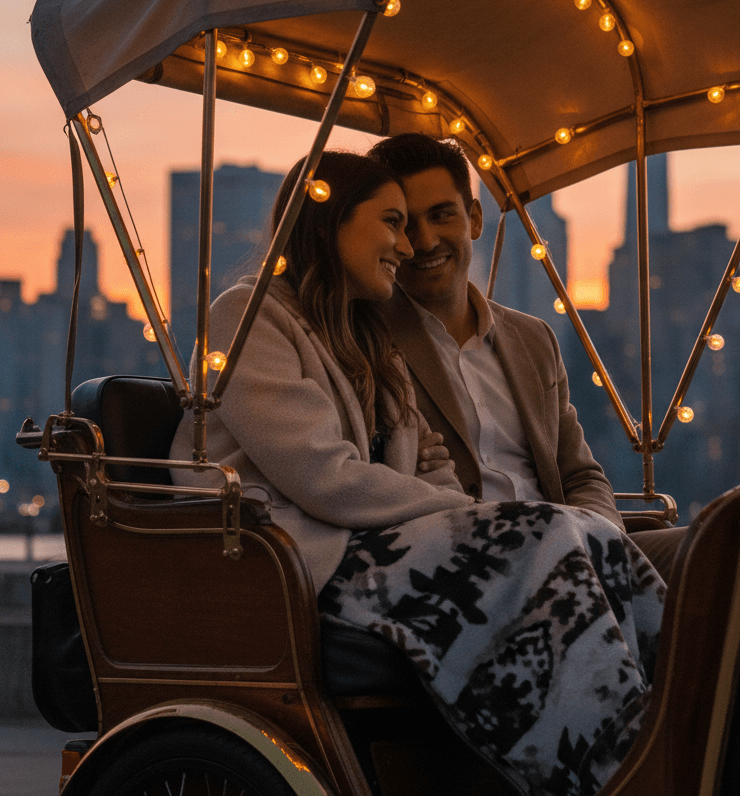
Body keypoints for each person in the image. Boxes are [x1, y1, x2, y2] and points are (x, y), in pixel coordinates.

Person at [169, 150, 665, 796]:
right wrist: (463, 513)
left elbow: (420, 460)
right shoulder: (248, 314)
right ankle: (595, 763)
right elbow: (325, 477)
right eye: (393, 224)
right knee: (538, 534)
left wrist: (452, 502)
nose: (406, 247)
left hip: (364, 540)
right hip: (299, 553)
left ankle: (662, 728)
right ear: (334, 222)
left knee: (591, 534)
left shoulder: (362, 337)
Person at [365, 134, 686, 577]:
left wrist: (597, 542)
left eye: (442, 215)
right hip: (471, 564)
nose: (425, 241)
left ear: (474, 219)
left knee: (722, 547)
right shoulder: (367, 342)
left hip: (571, 546)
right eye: (405, 225)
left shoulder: (533, 339)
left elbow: (581, 477)